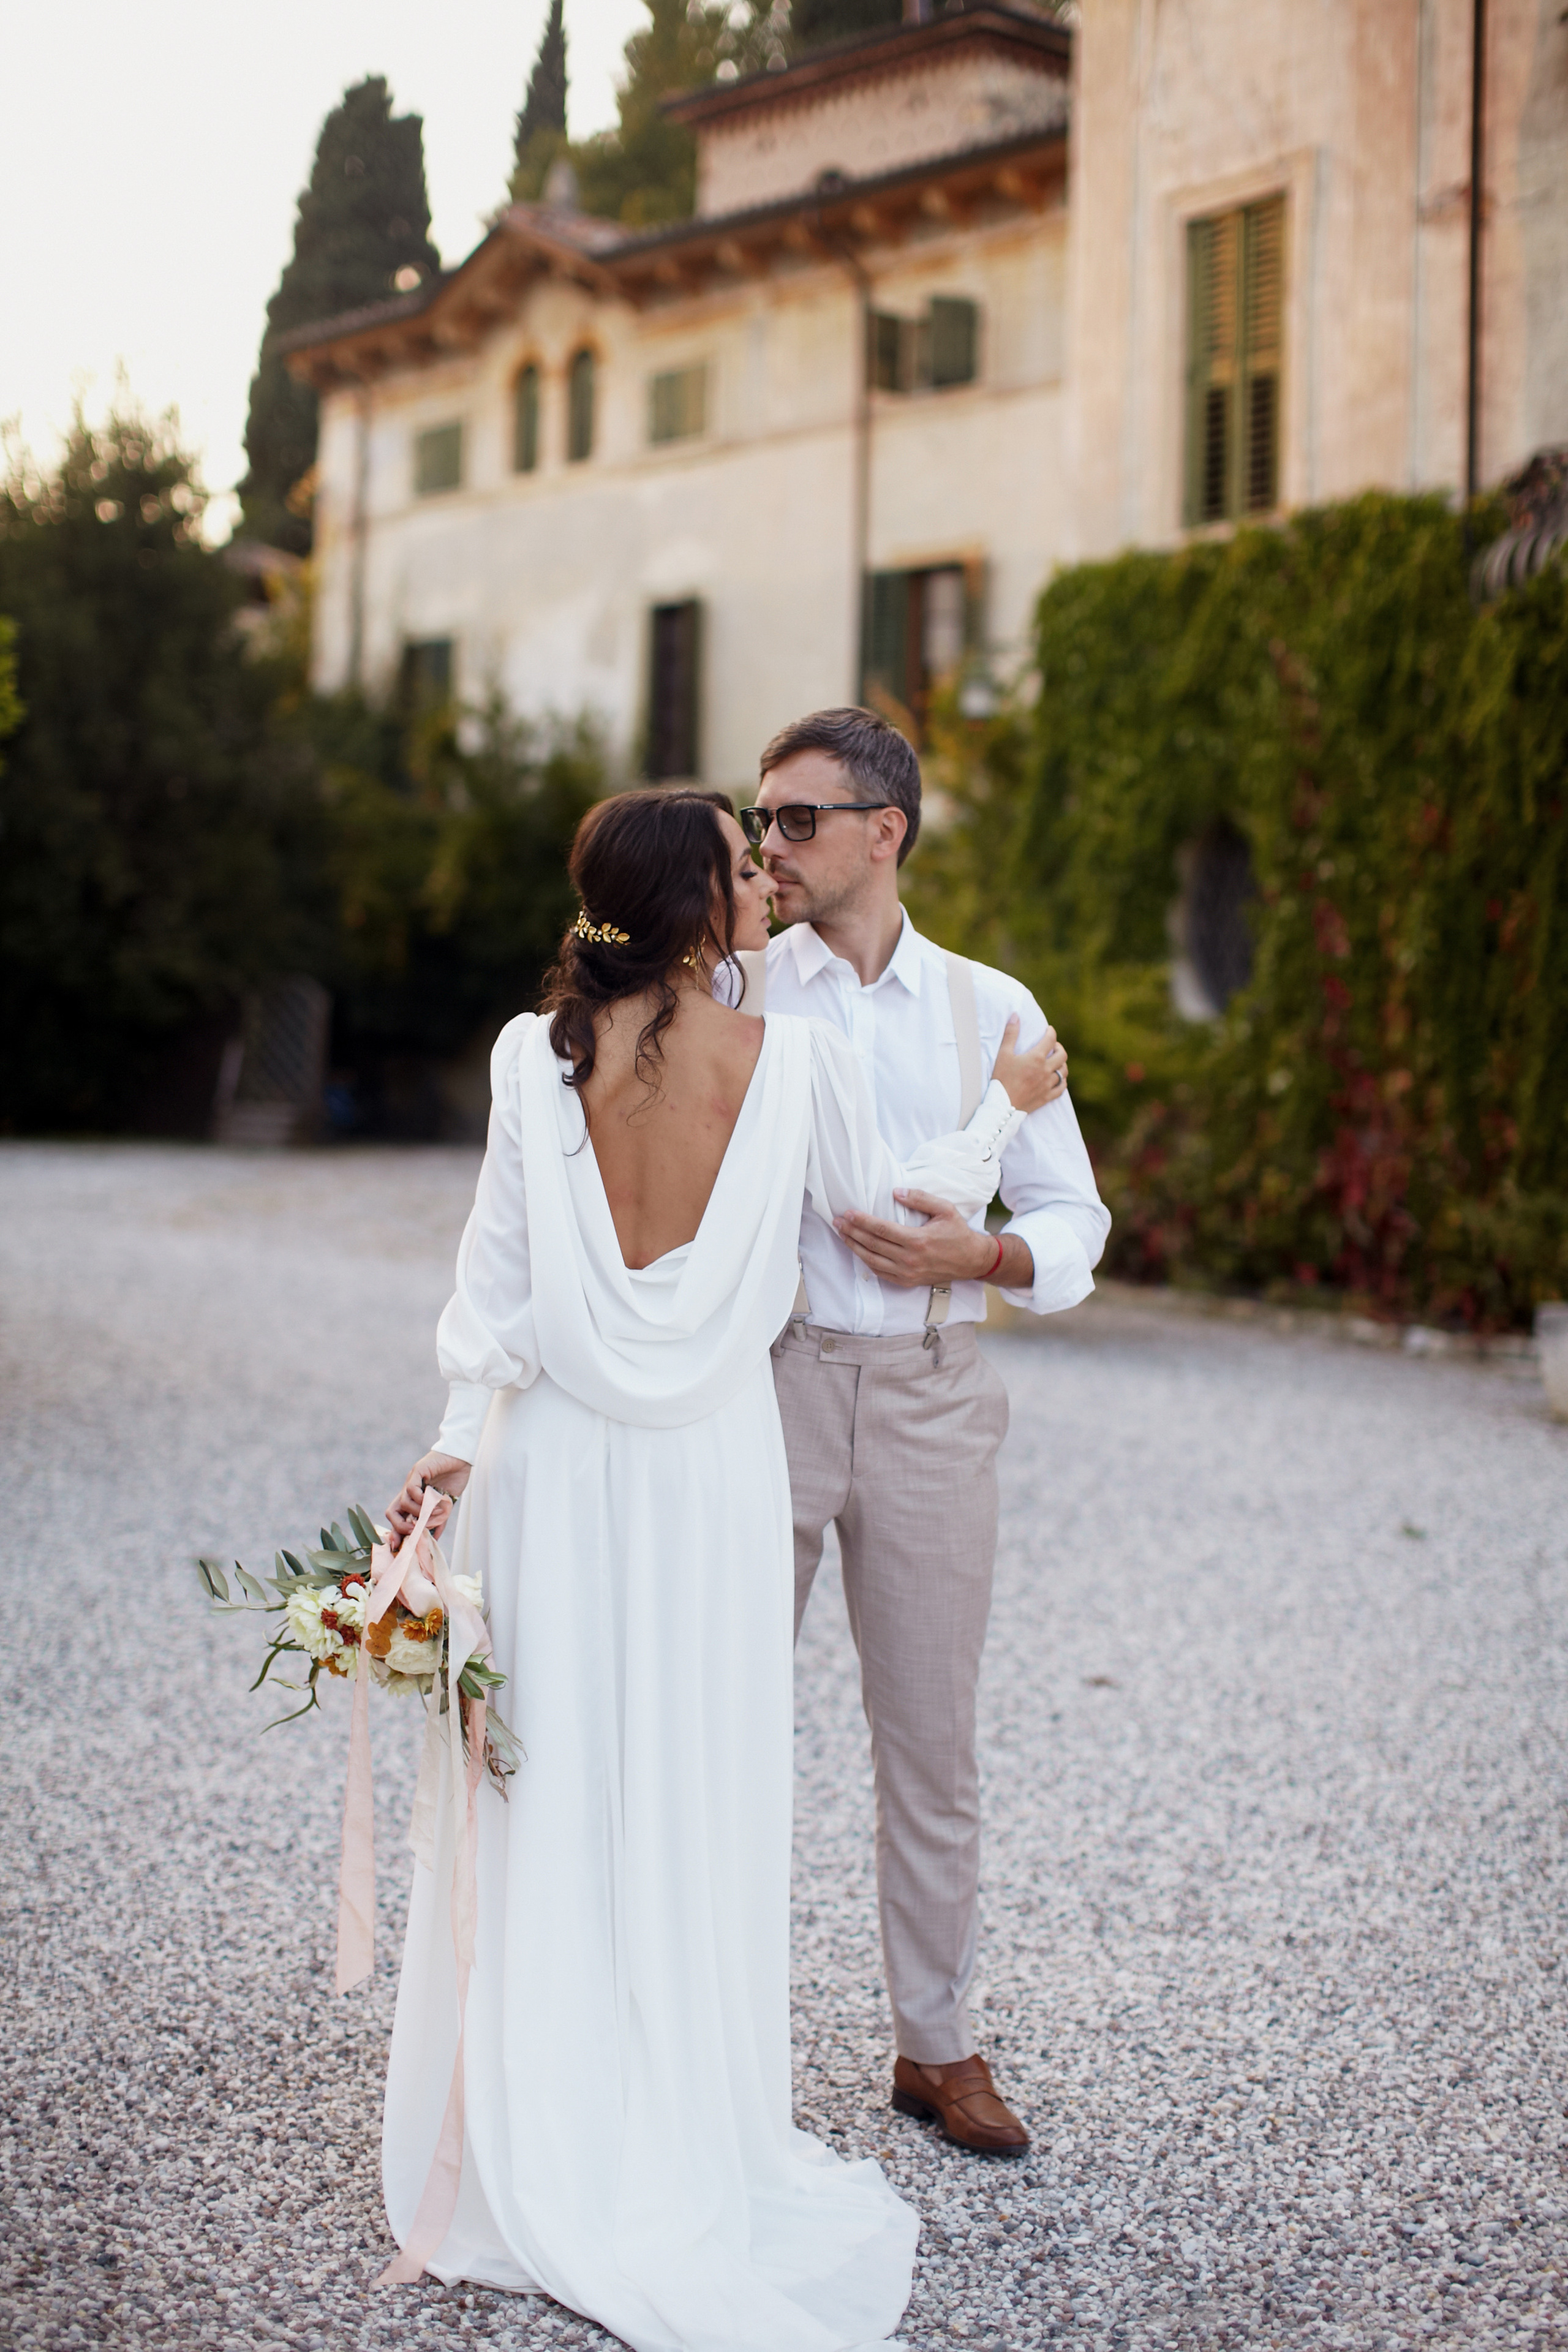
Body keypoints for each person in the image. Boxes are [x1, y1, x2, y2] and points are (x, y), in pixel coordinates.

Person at [378, 788, 1065, 2351]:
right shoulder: (793, 1063)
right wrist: (1003, 1106)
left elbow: (493, 1293)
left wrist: (452, 1446)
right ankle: (675, 2111)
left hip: (548, 1462)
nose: (762, 881)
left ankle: (544, 2114)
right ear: (695, 910)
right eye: (741, 868)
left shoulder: (526, 1056)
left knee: (551, 1781)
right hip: (704, 1468)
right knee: (687, 1780)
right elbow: (902, 1215)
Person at [734, 707, 1110, 2160]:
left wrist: (990, 1258)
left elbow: (1071, 1217)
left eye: (796, 820)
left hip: (936, 1394)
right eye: (760, 820)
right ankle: (707, 2050)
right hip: (760, 1388)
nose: (769, 847)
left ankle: (935, 2046)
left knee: (930, 1743)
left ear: (882, 831)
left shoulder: (991, 1006)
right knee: (719, 1720)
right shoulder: (734, 987)